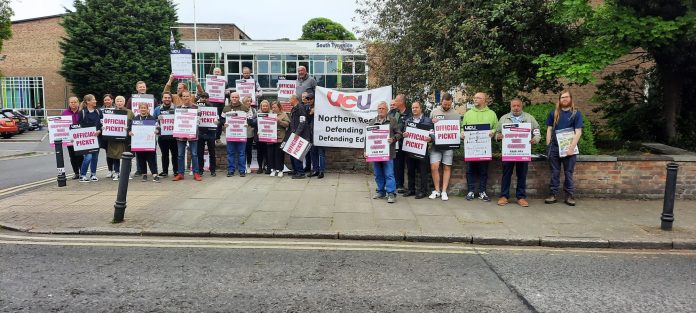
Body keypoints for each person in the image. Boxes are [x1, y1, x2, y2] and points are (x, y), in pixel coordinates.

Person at [494, 98, 541, 207]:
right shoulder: (504, 118)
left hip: (523, 152)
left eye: (518, 106)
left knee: (522, 175)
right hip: (508, 152)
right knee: (506, 174)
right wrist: (498, 136)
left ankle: (521, 197)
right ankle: (504, 196)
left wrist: (536, 139)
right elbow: (497, 132)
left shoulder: (529, 118)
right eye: (513, 106)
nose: (515, 108)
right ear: (511, 107)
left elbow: (537, 131)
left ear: (521, 106)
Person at [545, 90, 583, 206]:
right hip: (555, 148)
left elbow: (578, 132)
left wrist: (571, 148)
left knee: (568, 172)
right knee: (554, 172)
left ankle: (569, 195)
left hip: (569, 148)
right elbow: (549, 129)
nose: (564, 99)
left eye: (566, 97)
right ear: (559, 99)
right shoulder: (554, 113)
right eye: (562, 97)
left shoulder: (576, 114)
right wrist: (548, 145)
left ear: (571, 99)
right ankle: (553, 194)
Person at [461, 92, 498, 202]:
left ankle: (482, 192)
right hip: (471, 148)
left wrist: (492, 132)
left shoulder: (491, 114)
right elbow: (462, 128)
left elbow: (496, 128)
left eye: (478, 98)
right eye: (475, 97)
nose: (475, 99)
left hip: (484, 148)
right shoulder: (468, 113)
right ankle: (471, 191)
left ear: (484, 100)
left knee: (483, 171)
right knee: (470, 170)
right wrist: (462, 133)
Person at [428, 93, 461, 201]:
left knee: (447, 167)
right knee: (434, 166)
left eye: (449, 105)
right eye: (445, 104)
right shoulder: (434, 112)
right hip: (436, 145)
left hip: (449, 145)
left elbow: (458, 130)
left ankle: (444, 191)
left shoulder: (456, 114)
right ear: (441, 101)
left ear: (452, 103)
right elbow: (429, 128)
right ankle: (437, 190)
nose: (446, 106)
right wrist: (432, 125)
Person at [367, 101, 402, 203]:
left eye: (383, 108)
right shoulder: (372, 122)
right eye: (379, 108)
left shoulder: (392, 120)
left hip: (388, 153)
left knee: (389, 174)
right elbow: (367, 138)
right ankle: (380, 191)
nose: (381, 110)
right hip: (375, 153)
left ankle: (391, 193)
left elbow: (399, 133)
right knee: (378, 174)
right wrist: (366, 151)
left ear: (387, 110)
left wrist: (393, 139)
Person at [403, 101, 433, 199]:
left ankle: (423, 191)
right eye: (413, 108)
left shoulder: (428, 120)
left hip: (422, 150)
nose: (414, 109)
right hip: (410, 149)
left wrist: (430, 138)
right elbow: (404, 132)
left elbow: (432, 134)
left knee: (422, 171)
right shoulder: (408, 121)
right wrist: (404, 134)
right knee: (410, 170)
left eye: (416, 107)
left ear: (421, 109)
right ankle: (411, 190)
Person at [172, 91, 201, 181]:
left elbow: (198, 121)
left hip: (192, 134)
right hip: (181, 133)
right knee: (180, 155)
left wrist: (191, 122)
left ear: (190, 97)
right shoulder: (178, 108)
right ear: (181, 98)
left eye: (187, 96)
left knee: (194, 154)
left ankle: (196, 173)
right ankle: (180, 174)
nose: (185, 98)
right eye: (184, 96)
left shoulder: (196, 107)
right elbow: (176, 121)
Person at [106, 96, 135, 181]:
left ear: (124, 102)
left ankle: (127, 173)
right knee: (115, 156)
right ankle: (116, 173)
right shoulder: (111, 112)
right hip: (114, 139)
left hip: (126, 139)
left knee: (127, 156)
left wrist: (129, 129)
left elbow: (134, 124)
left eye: (121, 101)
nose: (119, 102)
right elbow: (107, 123)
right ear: (115, 102)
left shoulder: (130, 112)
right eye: (118, 101)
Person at [388, 94, 412, 193]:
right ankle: (393, 184)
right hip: (393, 141)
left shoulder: (409, 114)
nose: (394, 103)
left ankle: (400, 185)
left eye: (396, 101)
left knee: (401, 164)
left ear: (401, 102)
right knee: (394, 164)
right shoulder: (393, 112)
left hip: (404, 143)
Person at [222, 92, 250, 177]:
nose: (234, 99)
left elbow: (250, 119)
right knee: (230, 153)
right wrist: (224, 124)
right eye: (233, 97)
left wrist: (247, 123)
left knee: (241, 153)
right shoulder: (226, 108)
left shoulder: (245, 108)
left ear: (239, 98)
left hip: (241, 134)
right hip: (230, 134)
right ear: (230, 98)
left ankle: (242, 170)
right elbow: (222, 119)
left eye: (236, 97)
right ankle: (231, 170)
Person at [130, 103, 160, 182]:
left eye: (144, 108)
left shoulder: (152, 119)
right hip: (139, 144)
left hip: (150, 143)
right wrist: (130, 132)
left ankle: (155, 174)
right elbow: (130, 129)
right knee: (141, 159)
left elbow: (158, 128)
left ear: (148, 109)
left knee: (152, 159)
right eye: (141, 108)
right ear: (139, 109)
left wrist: (157, 130)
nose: (143, 109)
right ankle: (144, 175)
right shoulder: (136, 119)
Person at [77, 94, 103, 182]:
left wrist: (99, 131)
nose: (95, 101)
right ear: (88, 101)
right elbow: (78, 126)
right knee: (88, 157)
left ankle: (93, 174)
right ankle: (82, 175)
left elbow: (102, 124)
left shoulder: (98, 112)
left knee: (95, 157)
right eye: (93, 99)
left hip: (97, 138)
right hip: (86, 140)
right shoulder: (82, 112)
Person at [154, 92, 178, 177]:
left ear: (171, 99)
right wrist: (157, 119)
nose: (167, 99)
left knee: (175, 154)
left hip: (174, 136)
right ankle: (165, 171)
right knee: (164, 155)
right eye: (165, 97)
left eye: (168, 97)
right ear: (162, 98)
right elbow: (153, 121)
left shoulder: (176, 108)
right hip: (162, 136)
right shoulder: (157, 109)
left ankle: (176, 171)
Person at [196, 92, 218, 176]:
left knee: (212, 152)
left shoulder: (212, 107)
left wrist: (217, 122)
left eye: (206, 97)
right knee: (200, 153)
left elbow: (217, 119)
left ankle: (213, 170)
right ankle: (200, 170)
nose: (204, 99)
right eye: (202, 97)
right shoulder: (197, 107)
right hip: (200, 132)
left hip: (211, 132)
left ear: (208, 98)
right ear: (200, 98)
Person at [61, 96, 84, 179]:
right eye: (71, 102)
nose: (73, 104)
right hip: (69, 138)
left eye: (75, 102)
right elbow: (61, 125)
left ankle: (82, 172)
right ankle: (76, 173)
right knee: (72, 156)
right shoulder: (65, 113)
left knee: (80, 156)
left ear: (78, 102)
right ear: (69, 103)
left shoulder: (82, 112)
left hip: (80, 138)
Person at [288, 94, 310, 179]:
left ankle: (301, 173)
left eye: (290, 99)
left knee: (296, 154)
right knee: (292, 153)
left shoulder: (300, 108)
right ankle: (296, 170)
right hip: (295, 134)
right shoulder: (294, 108)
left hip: (301, 135)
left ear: (294, 99)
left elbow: (302, 122)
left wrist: (297, 133)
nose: (289, 101)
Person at [267, 101, 290, 177]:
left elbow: (287, 125)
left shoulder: (284, 114)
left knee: (279, 155)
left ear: (279, 107)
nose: (273, 109)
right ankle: (273, 169)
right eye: (272, 107)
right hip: (270, 137)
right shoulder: (269, 114)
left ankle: (280, 170)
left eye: (275, 107)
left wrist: (279, 121)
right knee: (271, 154)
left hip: (280, 138)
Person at [253, 100, 273, 175]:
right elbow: (252, 122)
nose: (265, 107)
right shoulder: (257, 113)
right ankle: (260, 168)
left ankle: (268, 167)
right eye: (263, 106)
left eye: (266, 106)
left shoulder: (271, 114)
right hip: (259, 136)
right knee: (260, 153)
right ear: (261, 107)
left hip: (269, 136)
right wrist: (261, 118)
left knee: (268, 153)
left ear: (268, 106)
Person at [99, 94, 115, 178]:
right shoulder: (100, 110)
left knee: (115, 153)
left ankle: (116, 170)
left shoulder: (116, 109)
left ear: (112, 100)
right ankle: (110, 170)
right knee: (108, 153)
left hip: (115, 134)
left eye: (108, 99)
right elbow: (99, 121)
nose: (107, 101)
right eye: (105, 100)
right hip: (105, 135)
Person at [241, 96, 258, 172]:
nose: (249, 103)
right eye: (247, 101)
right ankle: (242, 166)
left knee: (248, 150)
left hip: (249, 133)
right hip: (240, 133)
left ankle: (248, 165)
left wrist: (251, 123)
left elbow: (256, 121)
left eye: (250, 101)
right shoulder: (240, 110)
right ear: (243, 102)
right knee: (242, 151)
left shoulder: (254, 110)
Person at [301, 91, 313, 174]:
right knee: (305, 150)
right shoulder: (301, 107)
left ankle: (311, 166)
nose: (305, 99)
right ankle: (307, 166)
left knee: (311, 150)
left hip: (311, 131)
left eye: (307, 97)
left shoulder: (312, 107)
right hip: (304, 131)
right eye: (304, 97)